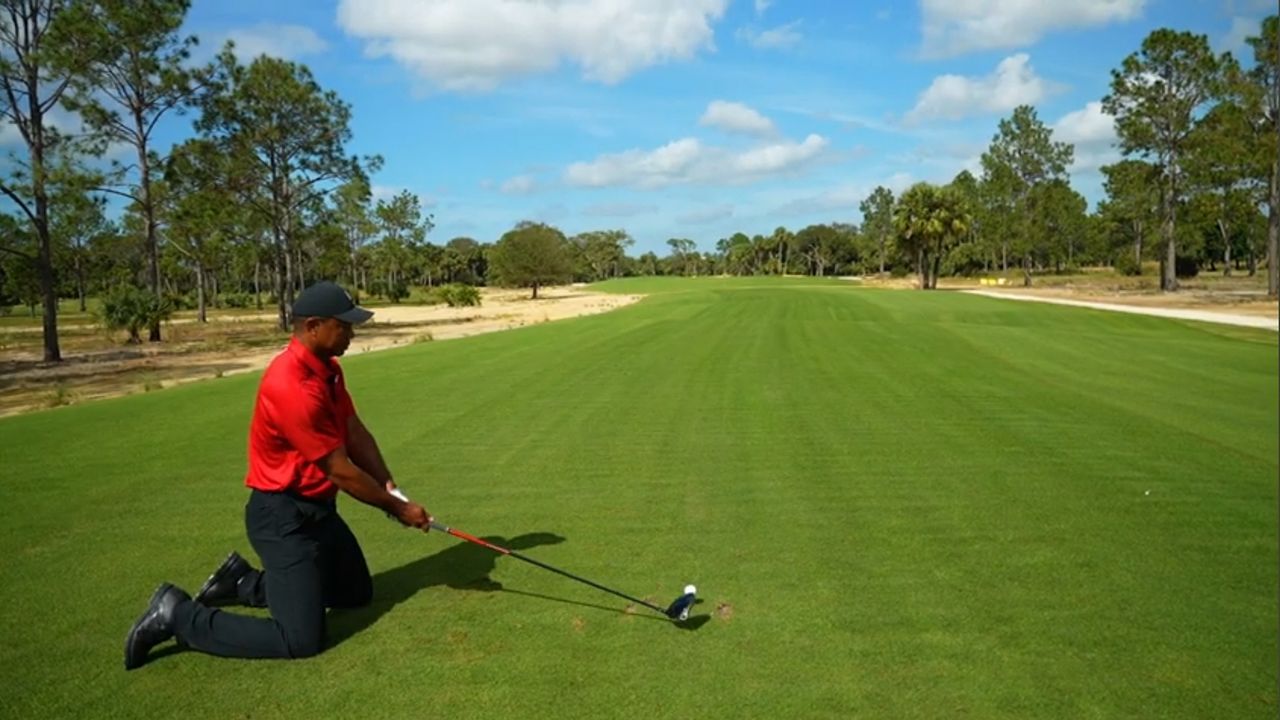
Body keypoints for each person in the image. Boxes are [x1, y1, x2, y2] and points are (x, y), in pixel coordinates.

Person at [124, 281, 432, 669]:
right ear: (314, 326)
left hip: (319, 512)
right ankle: (178, 615)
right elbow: (339, 470)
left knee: (355, 593)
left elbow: (353, 430)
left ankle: (240, 583)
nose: (352, 333)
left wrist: (390, 486)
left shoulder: (328, 370)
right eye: (345, 326)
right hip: (282, 518)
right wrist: (396, 509)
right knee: (300, 639)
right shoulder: (292, 385)